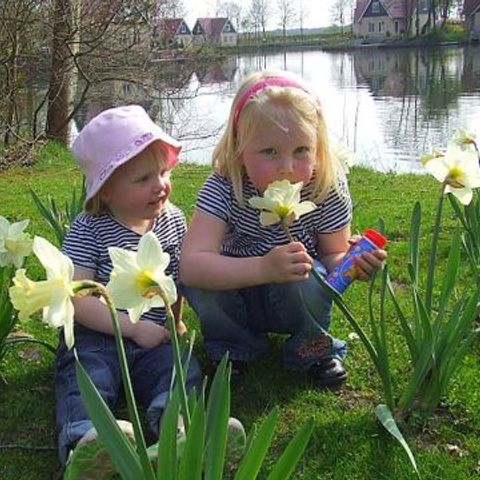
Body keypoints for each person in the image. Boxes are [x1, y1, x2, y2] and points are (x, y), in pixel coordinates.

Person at [180, 70, 387, 389]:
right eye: (269, 152)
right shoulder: (225, 186)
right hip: (236, 296)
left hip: (296, 295)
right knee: (202, 284)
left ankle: (312, 349)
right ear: (239, 149)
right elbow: (191, 265)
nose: (287, 167)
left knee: (308, 272)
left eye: (301, 150)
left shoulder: (325, 186)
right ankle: (234, 348)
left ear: (318, 146)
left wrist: (353, 264)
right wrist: (263, 268)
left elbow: (333, 255)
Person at [55, 105, 203, 474]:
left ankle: (177, 430)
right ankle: (85, 442)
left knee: (180, 370)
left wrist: (174, 321)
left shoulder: (173, 220)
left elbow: (176, 282)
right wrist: (131, 328)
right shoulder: (89, 228)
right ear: (105, 191)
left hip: (153, 336)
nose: (160, 185)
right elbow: (77, 299)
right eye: (143, 179)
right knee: (85, 376)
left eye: (163, 172)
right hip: (98, 334)